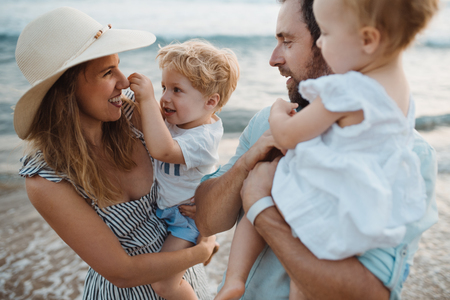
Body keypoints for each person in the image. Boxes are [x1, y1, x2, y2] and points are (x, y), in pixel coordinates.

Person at [193, 0, 439, 299]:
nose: (273, 59)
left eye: (287, 41)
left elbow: (371, 293)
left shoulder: (409, 157)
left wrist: (259, 207)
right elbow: (206, 220)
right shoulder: (264, 127)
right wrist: (246, 163)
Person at [15, 7, 216, 299]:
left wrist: (205, 206)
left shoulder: (136, 111)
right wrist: (203, 250)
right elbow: (122, 272)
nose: (123, 82)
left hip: (186, 281)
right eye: (108, 73)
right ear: (67, 89)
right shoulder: (47, 177)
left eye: (118, 66)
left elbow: (201, 146)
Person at [127, 40, 239, 300]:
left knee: (164, 285)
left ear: (211, 101)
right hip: (167, 209)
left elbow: (163, 150)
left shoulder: (203, 139)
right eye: (164, 86)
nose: (165, 97)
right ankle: (207, 249)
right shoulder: (181, 120)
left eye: (177, 90)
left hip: (185, 220)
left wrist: (147, 97)